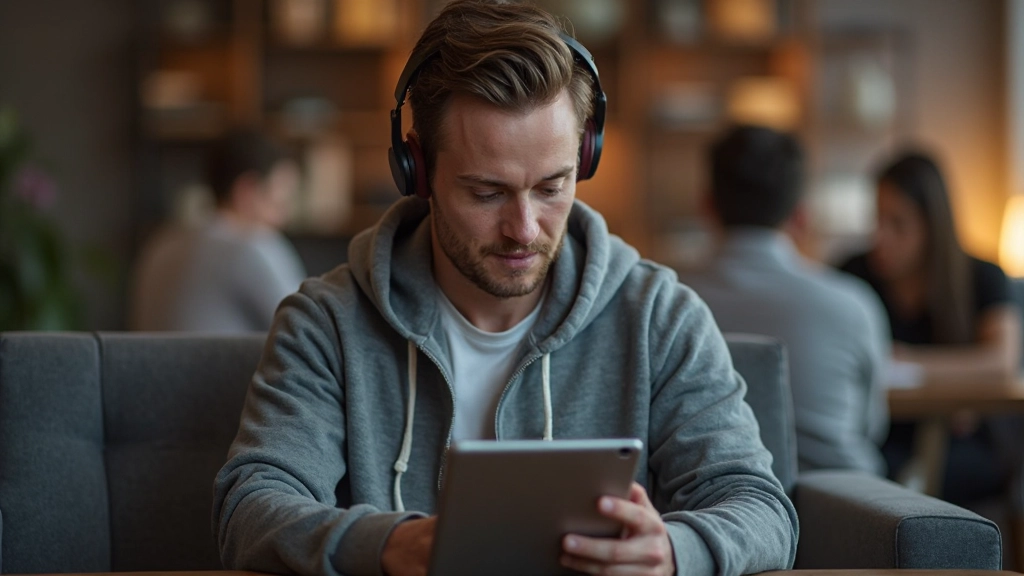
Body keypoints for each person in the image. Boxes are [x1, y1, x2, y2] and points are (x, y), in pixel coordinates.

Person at [212, 3, 798, 576]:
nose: (524, 229)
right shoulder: (326, 323)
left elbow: (761, 509)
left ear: (585, 156)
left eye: (551, 187)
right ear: (418, 170)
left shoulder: (658, 316)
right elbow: (250, 510)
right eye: (487, 193)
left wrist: (672, 551)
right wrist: (392, 545)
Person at [679, 125, 891, 475]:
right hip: (846, 500)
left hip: (715, 497)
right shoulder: (852, 305)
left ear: (706, 206)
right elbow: (871, 426)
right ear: (801, 215)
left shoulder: (668, 302)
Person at [840, 151, 1023, 503]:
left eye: (898, 223)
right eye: (877, 219)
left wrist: (906, 362)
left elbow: (1002, 360)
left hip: (964, 438)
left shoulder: (983, 276)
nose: (881, 237)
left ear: (932, 226)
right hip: (878, 432)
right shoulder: (853, 274)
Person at [130, 129, 306, 333]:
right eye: (279, 202)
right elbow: (308, 332)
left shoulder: (161, 244)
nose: (283, 218)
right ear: (246, 191)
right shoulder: (253, 246)